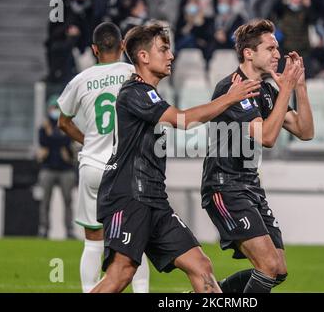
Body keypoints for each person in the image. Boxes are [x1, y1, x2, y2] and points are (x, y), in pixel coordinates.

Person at [91, 22, 261, 293]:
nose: (171, 56)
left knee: (201, 265)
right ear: (143, 57)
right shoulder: (134, 91)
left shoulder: (150, 93)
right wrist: (230, 99)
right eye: (164, 49)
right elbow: (183, 120)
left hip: (154, 199)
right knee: (120, 274)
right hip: (128, 196)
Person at [201, 19, 314, 293]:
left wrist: (298, 86)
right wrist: (285, 89)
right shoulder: (233, 88)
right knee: (267, 266)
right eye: (270, 48)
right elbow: (267, 137)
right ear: (248, 53)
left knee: (279, 270)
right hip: (224, 186)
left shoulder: (266, 90)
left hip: (250, 186)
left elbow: (305, 130)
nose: (278, 54)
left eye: (277, 48)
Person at [57, 22, 149, 293]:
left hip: (93, 166)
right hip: (126, 168)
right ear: (123, 46)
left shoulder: (80, 79)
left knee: (93, 241)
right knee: (135, 241)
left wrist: (89, 140)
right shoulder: (135, 74)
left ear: (94, 49)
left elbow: (63, 122)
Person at [37, 96, 76, 239]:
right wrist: (57, 138)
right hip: (48, 168)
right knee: (45, 201)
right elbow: (44, 141)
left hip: (66, 169)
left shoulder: (66, 124)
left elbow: (65, 140)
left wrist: (52, 136)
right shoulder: (44, 126)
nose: (55, 111)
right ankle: (44, 229)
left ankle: (69, 230)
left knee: (68, 201)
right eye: (53, 108)